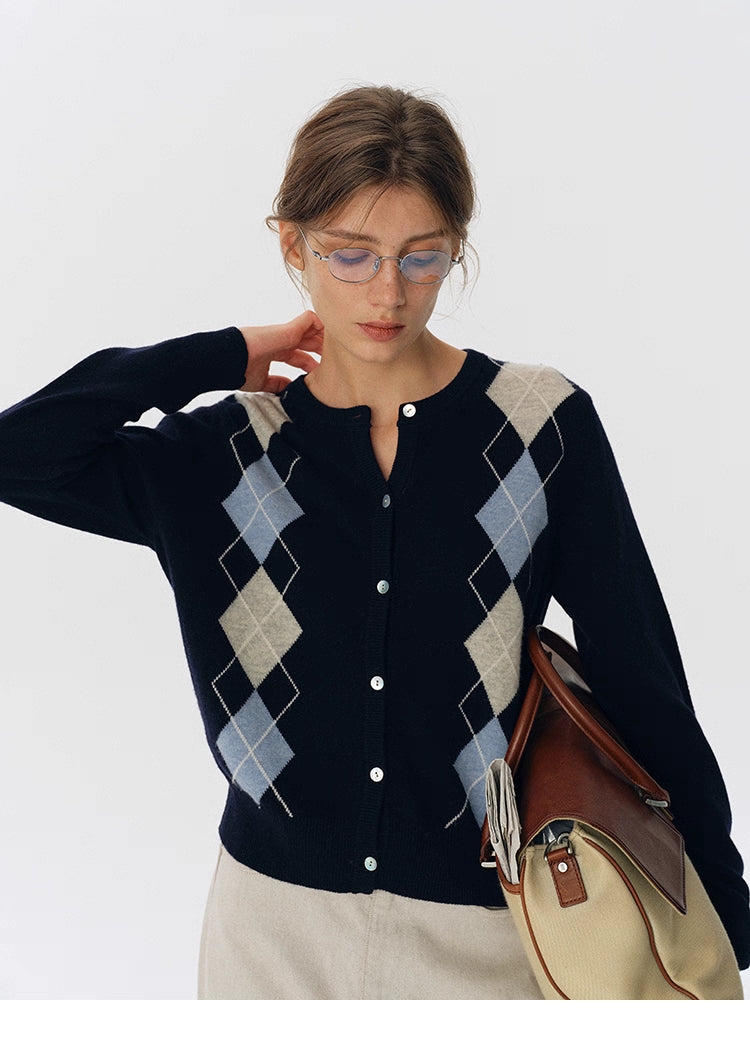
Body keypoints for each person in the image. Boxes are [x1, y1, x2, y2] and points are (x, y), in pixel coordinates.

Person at [0, 84, 748, 1000]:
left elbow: (640, 673)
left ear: (457, 247)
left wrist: (719, 908)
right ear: (292, 244)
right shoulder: (221, 455)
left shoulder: (537, 430)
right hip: (269, 937)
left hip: (487, 936)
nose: (388, 292)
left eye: (421, 256)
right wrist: (216, 355)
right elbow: (20, 453)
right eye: (349, 254)